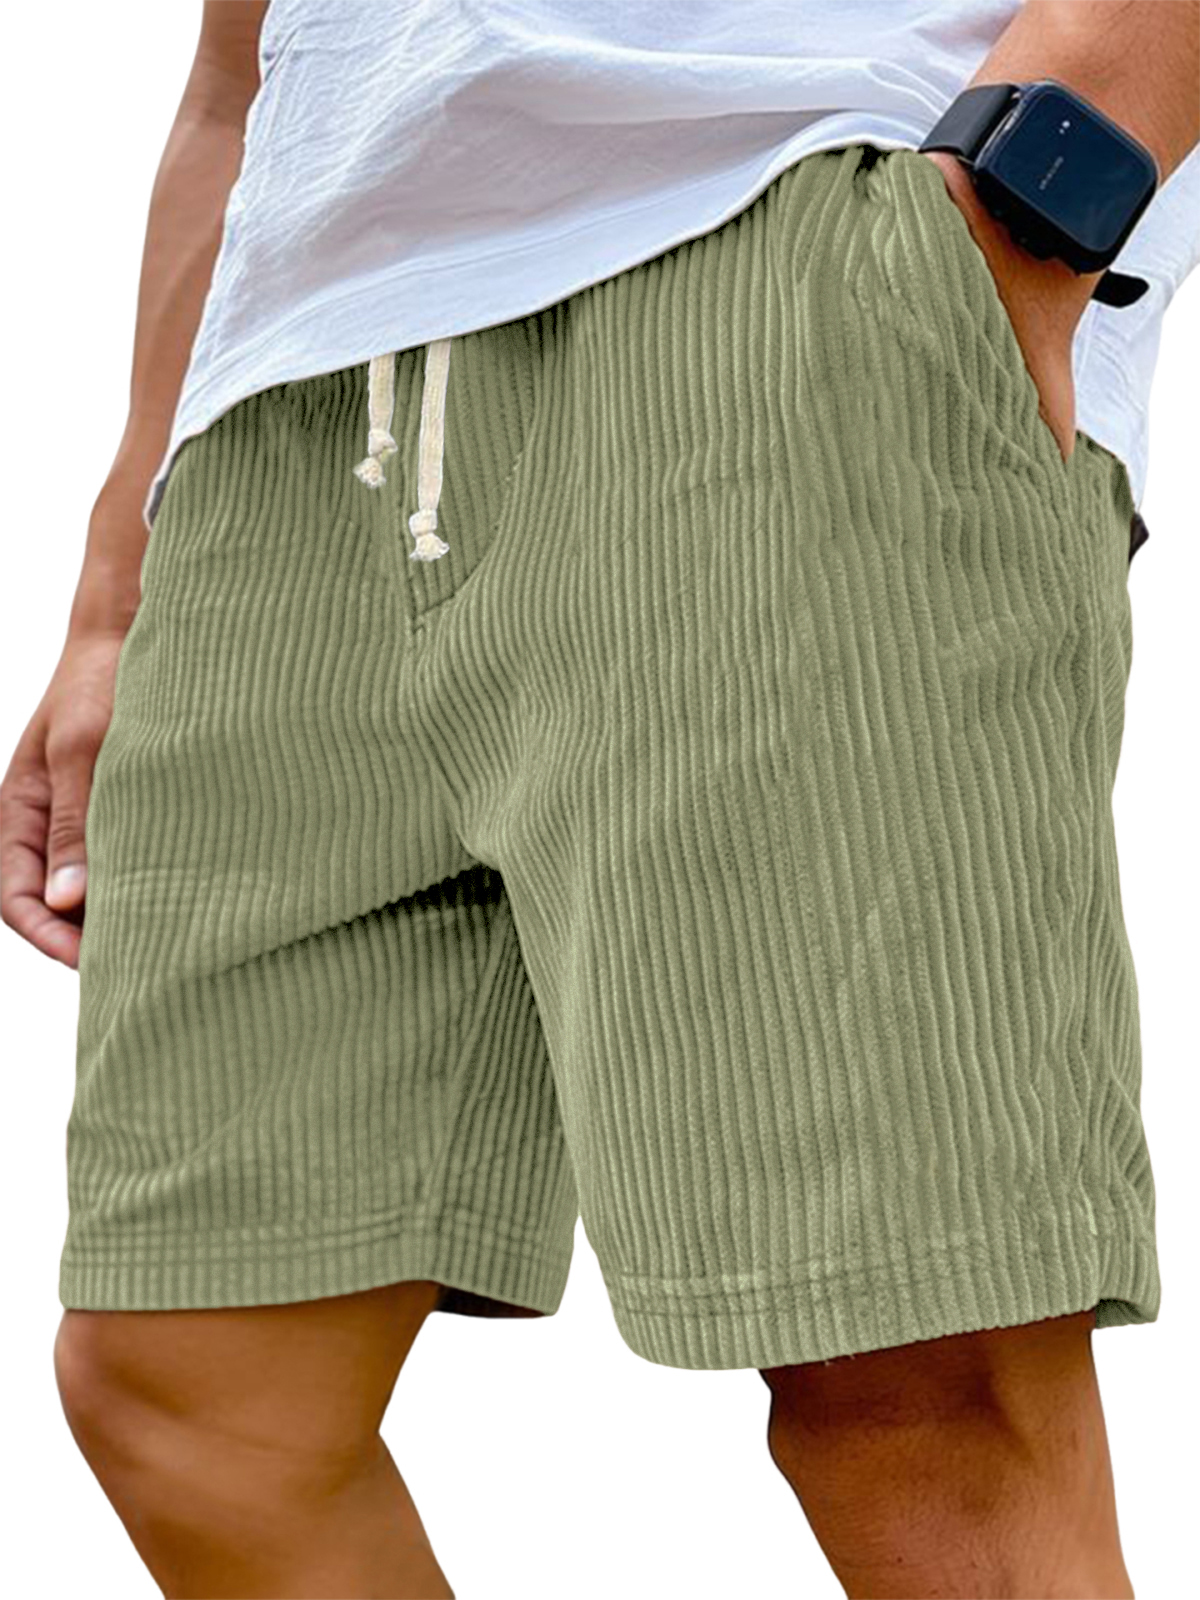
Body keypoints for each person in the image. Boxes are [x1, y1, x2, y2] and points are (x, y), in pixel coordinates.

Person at [2, 1, 1197, 1594]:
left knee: (919, 1379)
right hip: (288, 408)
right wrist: (114, 589)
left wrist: (1026, 205)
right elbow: (237, 71)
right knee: (190, 1382)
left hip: (774, 239)